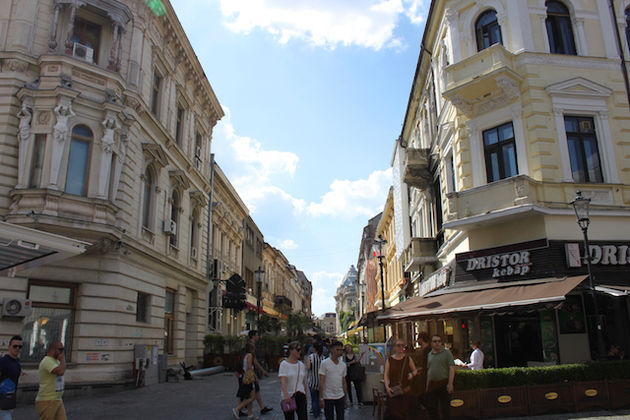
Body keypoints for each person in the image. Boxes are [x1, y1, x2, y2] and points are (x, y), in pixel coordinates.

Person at [239, 331, 272, 417]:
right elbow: (253, 362)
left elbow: (254, 361)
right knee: (247, 393)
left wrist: (261, 370)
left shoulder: (250, 346)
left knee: (254, 391)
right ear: (253, 336)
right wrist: (256, 374)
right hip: (247, 374)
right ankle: (238, 409)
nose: (258, 337)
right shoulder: (250, 347)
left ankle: (258, 409)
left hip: (247, 373)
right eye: (257, 335)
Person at [384, 338, 418, 420]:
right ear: (394, 347)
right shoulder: (390, 360)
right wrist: (387, 387)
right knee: (394, 414)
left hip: (405, 391)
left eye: (402, 345)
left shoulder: (407, 359)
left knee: (404, 414)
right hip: (394, 391)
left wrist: (412, 374)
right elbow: (386, 374)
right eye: (398, 345)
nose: (400, 347)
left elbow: (415, 370)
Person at [426, 335, 455, 420]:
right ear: (431, 343)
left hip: (443, 383)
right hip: (432, 384)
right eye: (435, 341)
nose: (437, 343)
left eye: (439, 341)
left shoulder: (447, 353)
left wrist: (450, 383)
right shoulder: (429, 354)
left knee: (445, 408)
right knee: (432, 408)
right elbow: (429, 370)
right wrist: (427, 385)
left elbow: (452, 368)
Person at [36, 341, 66, 420]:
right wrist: (63, 359)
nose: (62, 352)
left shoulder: (56, 361)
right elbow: (60, 372)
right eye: (60, 349)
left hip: (57, 398)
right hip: (47, 400)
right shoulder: (47, 361)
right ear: (53, 350)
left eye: (63, 350)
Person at [319, 340, 347, 420]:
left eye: (341, 350)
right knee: (329, 417)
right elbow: (321, 381)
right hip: (328, 396)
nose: (339, 352)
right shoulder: (324, 363)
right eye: (337, 350)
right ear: (331, 350)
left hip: (340, 395)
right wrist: (321, 398)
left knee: (341, 417)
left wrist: (345, 397)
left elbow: (344, 381)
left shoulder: (343, 365)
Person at [279, 341, 308, 420]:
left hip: (300, 394)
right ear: (291, 351)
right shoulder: (284, 364)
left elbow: (303, 381)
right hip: (289, 396)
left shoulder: (301, 365)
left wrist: (306, 395)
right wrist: (286, 394)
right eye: (298, 349)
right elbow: (283, 380)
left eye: (300, 349)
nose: (300, 351)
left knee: (303, 417)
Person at [234, 342, 258, 420]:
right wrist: (255, 377)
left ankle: (250, 414)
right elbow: (249, 367)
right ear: (252, 348)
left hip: (244, 376)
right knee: (252, 397)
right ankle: (237, 409)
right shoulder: (250, 356)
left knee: (250, 396)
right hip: (249, 378)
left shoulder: (244, 355)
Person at [0, 336, 23, 420]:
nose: (17, 348)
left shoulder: (17, 362)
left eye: (20, 347)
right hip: (2, 401)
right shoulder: (3, 361)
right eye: (15, 346)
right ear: (9, 347)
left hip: (10, 401)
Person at [306, 341, 324, 420]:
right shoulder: (323, 357)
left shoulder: (310, 357)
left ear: (314, 348)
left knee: (314, 399)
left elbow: (308, 367)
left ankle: (316, 415)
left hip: (313, 380)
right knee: (320, 397)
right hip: (321, 381)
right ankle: (319, 411)